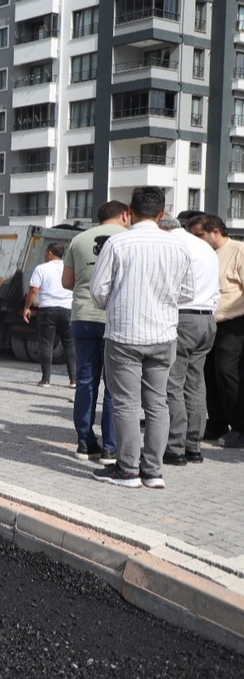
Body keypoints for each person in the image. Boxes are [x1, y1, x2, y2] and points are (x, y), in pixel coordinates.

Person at [90, 187, 193, 489]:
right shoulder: (178, 247)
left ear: (130, 212)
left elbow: (98, 291)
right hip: (163, 335)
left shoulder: (117, 243)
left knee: (125, 404)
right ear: (162, 213)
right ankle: (153, 472)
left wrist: (116, 304)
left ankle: (127, 470)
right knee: (158, 403)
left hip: (124, 334)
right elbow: (187, 293)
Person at [62, 201, 129, 463]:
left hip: (82, 316)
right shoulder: (128, 239)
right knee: (114, 384)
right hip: (115, 318)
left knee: (86, 380)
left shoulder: (78, 240)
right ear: (124, 215)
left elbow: (67, 282)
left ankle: (84, 442)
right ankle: (110, 447)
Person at [158, 216, 219, 466]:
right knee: (195, 383)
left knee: (173, 383)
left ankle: (175, 447)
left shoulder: (173, 246)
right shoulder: (204, 247)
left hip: (183, 317)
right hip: (207, 319)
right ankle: (193, 445)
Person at [188, 214, 244, 448]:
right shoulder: (203, 254)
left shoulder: (238, 251)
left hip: (234, 323)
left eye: (199, 235)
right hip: (209, 323)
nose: (196, 239)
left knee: (227, 372)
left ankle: (240, 427)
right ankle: (217, 423)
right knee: (208, 374)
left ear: (215, 232)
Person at [22, 242, 76, 388]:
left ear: (50, 253)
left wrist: (27, 307)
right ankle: (73, 379)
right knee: (69, 344)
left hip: (47, 309)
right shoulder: (69, 268)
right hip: (67, 309)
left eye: (46, 252)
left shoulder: (41, 268)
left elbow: (34, 290)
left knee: (46, 344)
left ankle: (46, 379)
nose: (45, 254)